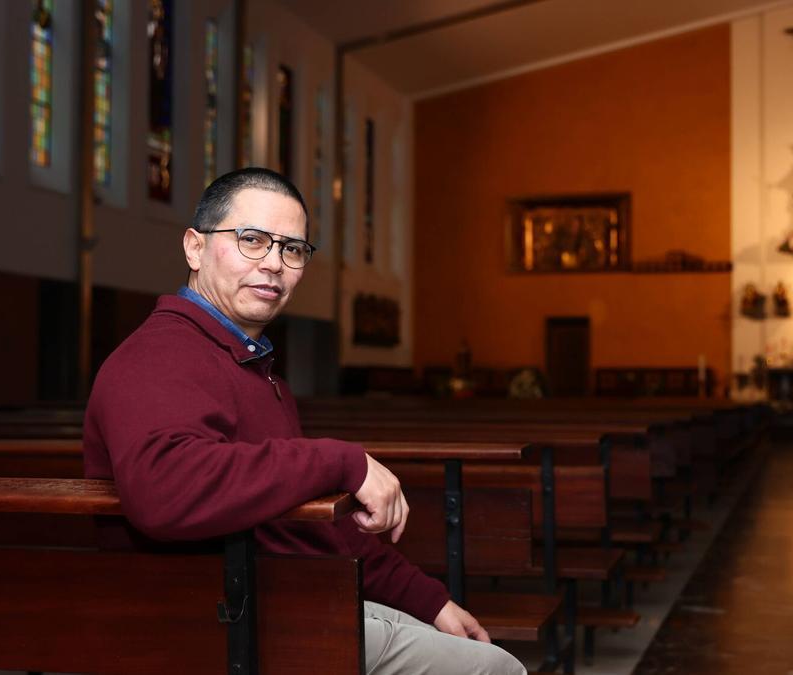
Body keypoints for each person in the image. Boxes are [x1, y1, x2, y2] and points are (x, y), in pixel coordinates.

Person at [84, 167, 525, 675]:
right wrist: (342, 460)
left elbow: (315, 526)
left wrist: (431, 602)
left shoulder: (247, 364)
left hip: (276, 601)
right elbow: (163, 489)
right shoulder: (160, 355)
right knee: (498, 672)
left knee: (478, 653)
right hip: (211, 623)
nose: (273, 263)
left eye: (292, 249)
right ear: (195, 248)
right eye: (251, 240)